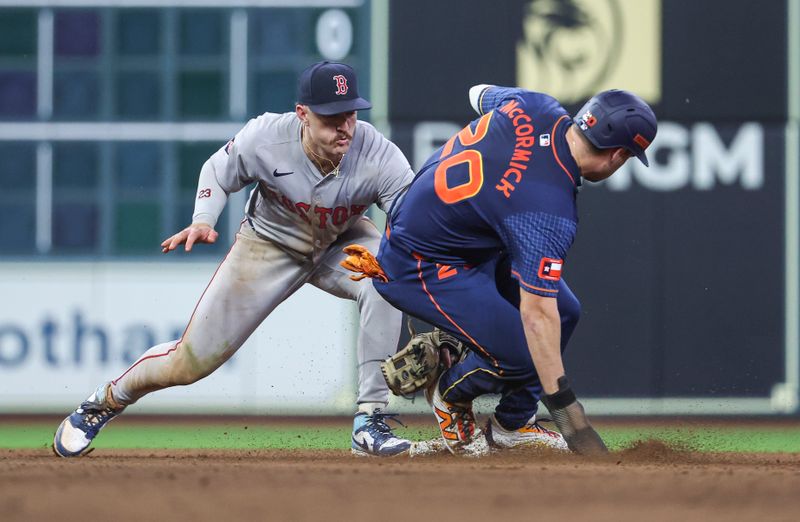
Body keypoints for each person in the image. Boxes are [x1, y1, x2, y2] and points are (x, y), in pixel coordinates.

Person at [53, 61, 416, 458]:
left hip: (340, 242)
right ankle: (102, 403)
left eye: (350, 113)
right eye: (331, 117)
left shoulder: (378, 152)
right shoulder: (266, 138)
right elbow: (217, 170)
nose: (344, 126)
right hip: (267, 245)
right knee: (189, 362)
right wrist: (203, 219)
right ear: (302, 115)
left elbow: (416, 221)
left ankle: (369, 421)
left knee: (386, 277)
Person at [343, 84, 657, 456]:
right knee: (528, 349)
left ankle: (513, 423)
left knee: (566, 312)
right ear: (619, 154)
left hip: (467, 244)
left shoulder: (535, 105)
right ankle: (451, 393)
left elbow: (477, 93)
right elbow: (536, 315)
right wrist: (572, 419)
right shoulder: (547, 208)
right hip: (420, 262)